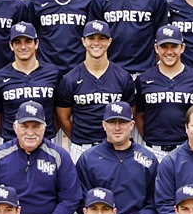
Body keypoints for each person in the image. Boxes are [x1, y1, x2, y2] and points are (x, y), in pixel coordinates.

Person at [76, 101, 164, 214]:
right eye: (112, 122)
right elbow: (80, 200)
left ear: (131, 125)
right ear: (104, 125)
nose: (117, 127)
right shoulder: (89, 158)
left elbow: (156, 201)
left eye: (122, 122)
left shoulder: (148, 158)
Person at [55, 21, 136, 160]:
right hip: (82, 147)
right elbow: (63, 117)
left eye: (102, 38)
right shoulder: (71, 78)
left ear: (109, 41)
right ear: (84, 41)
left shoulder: (123, 77)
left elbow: (130, 112)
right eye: (91, 38)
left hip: (114, 147)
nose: (96, 43)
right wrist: (79, 137)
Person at [135, 25, 193, 161]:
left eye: (174, 46)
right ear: (156, 48)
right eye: (164, 46)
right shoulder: (143, 79)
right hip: (153, 150)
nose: (169, 51)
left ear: (182, 48)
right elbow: (140, 114)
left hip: (187, 150)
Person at [0, 22, 63, 143]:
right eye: (17, 42)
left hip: (46, 142)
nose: (23, 46)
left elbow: (59, 112)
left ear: (36, 43)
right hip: (11, 143)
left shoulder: (53, 73)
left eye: (28, 41)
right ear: (11, 45)